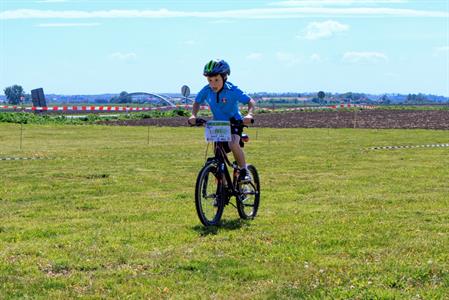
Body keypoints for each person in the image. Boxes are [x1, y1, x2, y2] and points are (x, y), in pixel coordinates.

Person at [188, 59, 256, 182]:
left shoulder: (232, 89)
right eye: (210, 80)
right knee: (218, 156)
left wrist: (249, 114)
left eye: (216, 80)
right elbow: (197, 101)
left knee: (233, 143)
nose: (213, 84)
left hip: (234, 122)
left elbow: (250, 101)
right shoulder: (207, 90)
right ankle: (222, 191)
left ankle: (244, 170)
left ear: (224, 77)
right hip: (218, 124)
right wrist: (193, 115)